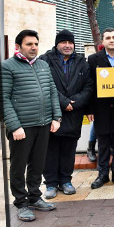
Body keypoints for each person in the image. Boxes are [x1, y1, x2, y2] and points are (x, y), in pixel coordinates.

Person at [1, 29, 60, 222]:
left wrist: (56, 117)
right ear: (18, 46)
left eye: (35, 44)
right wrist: (14, 125)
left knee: (38, 164)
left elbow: (52, 91)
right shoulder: (7, 66)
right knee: (18, 166)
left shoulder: (43, 65)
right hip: (22, 127)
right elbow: (4, 99)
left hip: (43, 124)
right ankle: (21, 203)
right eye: (29, 44)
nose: (33, 47)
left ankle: (35, 196)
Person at [38, 29, 91, 199]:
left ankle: (66, 181)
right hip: (52, 112)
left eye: (70, 43)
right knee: (50, 150)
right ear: (57, 44)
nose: (67, 46)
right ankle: (51, 184)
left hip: (74, 113)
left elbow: (89, 86)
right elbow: (44, 84)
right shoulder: (45, 60)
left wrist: (75, 102)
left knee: (69, 150)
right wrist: (63, 102)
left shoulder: (82, 61)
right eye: (63, 42)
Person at [87, 28, 114, 189]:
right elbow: (89, 86)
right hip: (101, 108)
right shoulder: (93, 59)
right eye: (108, 38)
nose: (111, 40)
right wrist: (90, 109)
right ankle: (102, 174)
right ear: (102, 42)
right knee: (103, 143)